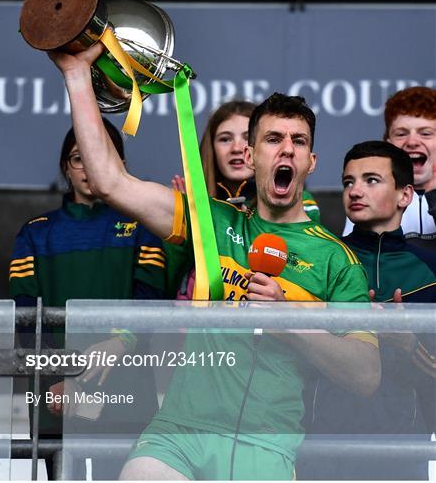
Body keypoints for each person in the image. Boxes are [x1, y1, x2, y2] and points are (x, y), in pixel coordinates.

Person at [48, 42, 380, 481]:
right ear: (253, 155)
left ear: (311, 161)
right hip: (177, 434)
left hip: (265, 445)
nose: (286, 149)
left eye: (298, 141)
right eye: (273, 139)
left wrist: (290, 318)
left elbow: (366, 375)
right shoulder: (208, 220)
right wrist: (76, 75)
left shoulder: (338, 259)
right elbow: (111, 183)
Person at [9, 119, 166, 479]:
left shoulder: (143, 225)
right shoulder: (36, 234)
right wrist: (59, 378)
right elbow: (24, 318)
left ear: (120, 164)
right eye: (79, 158)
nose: (90, 166)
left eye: (102, 154)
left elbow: (152, 301)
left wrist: (121, 341)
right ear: (65, 167)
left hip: (127, 391)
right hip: (57, 393)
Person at [300, 141, 436, 480]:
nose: (355, 190)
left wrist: (410, 346)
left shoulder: (430, 269)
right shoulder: (322, 259)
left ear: (405, 195)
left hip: (402, 451)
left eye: (371, 180)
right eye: (348, 182)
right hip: (322, 446)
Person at [172, 100, 320, 300]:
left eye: (246, 138)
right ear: (211, 148)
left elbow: (304, 258)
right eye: (225, 139)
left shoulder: (298, 203)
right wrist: (185, 226)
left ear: (253, 150)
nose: (236, 148)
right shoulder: (198, 203)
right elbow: (173, 278)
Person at [344, 86, 436, 239]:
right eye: (401, 134)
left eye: (425, 133)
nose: (412, 142)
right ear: (388, 144)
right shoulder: (366, 197)